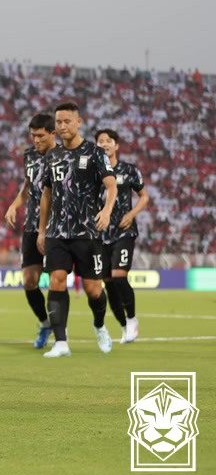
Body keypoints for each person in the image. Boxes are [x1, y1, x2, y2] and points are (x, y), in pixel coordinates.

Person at [36, 101, 117, 358]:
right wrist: (41, 230)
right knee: (57, 282)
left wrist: (105, 211)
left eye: (66, 121)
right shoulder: (52, 155)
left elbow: (111, 186)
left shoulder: (95, 152)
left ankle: (100, 325)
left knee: (94, 289)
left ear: (78, 122)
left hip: (87, 233)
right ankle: (61, 342)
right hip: (58, 233)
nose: (61, 127)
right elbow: (46, 194)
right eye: (58, 122)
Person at [4, 113, 57, 348]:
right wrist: (14, 205)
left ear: (52, 134)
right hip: (32, 226)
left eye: (40, 136)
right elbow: (28, 185)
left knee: (59, 280)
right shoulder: (29, 155)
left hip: (59, 228)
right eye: (32, 135)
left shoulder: (63, 156)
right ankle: (46, 323)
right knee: (29, 280)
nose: (35, 140)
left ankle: (62, 332)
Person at [95, 128, 149, 343]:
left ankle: (132, 318)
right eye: (100, 141)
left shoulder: (128, 170)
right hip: (101, 234)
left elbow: (144, 196)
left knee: (119, 275)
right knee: (108, 282)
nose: (105, 144)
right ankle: (125, 326)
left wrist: (131, 214)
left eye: (109, 141)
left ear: (116, 146)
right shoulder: (92, 172)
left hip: (124, 231)